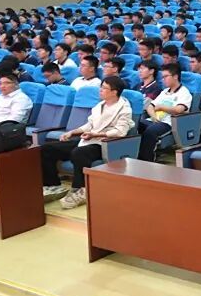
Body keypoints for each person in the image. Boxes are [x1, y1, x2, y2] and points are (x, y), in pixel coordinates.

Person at [40, 76, 134, 208]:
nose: (100, 90)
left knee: (79, 153)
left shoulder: (124, 109)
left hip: (105, 144)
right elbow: (89, 125)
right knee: (47, 149)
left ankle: (80, 189)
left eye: (104, 88)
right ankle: (53, 184)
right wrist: (72, 132)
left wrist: (96, 134)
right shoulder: (99, 105)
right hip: (89, 139)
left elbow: (120, 132)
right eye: (101, 87)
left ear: (114, 92)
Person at [138, 63, 191, 161]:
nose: (163, 79)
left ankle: (147, 160)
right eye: (162, 77)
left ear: (175, 76)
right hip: (155, 120)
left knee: (150, 132)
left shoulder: (184, 92)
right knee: (136, 125)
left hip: (169, 123)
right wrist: (153, 116)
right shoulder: (165, 92)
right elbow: (150, 106)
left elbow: (178, 109)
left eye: (166, 76)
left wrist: (161, 107)